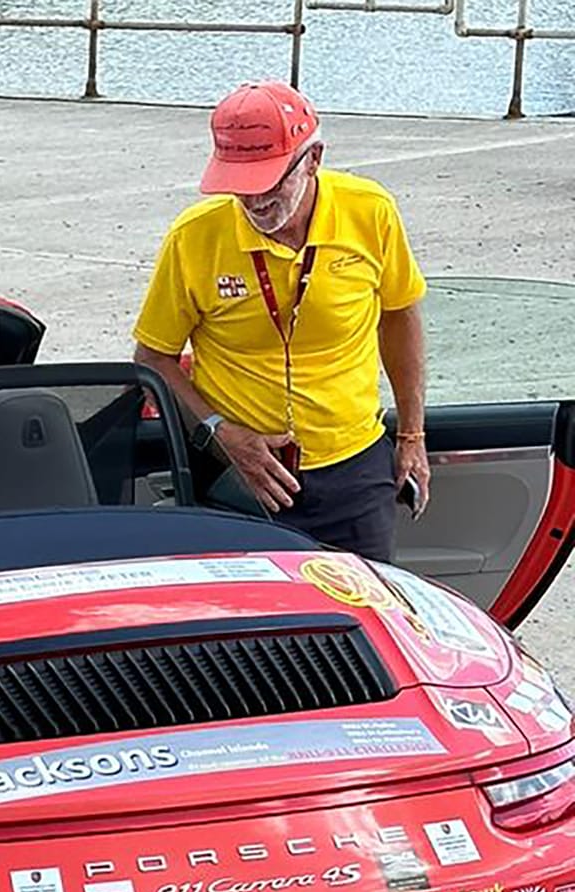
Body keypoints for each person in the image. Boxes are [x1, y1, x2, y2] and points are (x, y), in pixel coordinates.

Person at [132, 80, 429, 563]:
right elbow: (152, 358)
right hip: (236, 478)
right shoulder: (194, 237)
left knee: (365, 605)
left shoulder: (370, 212)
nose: (254, 201)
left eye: (270, 182)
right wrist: (220, 433)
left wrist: (412, 436)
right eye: (240, 185)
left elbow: (399, 315)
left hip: (353, 469)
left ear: (313, 159)